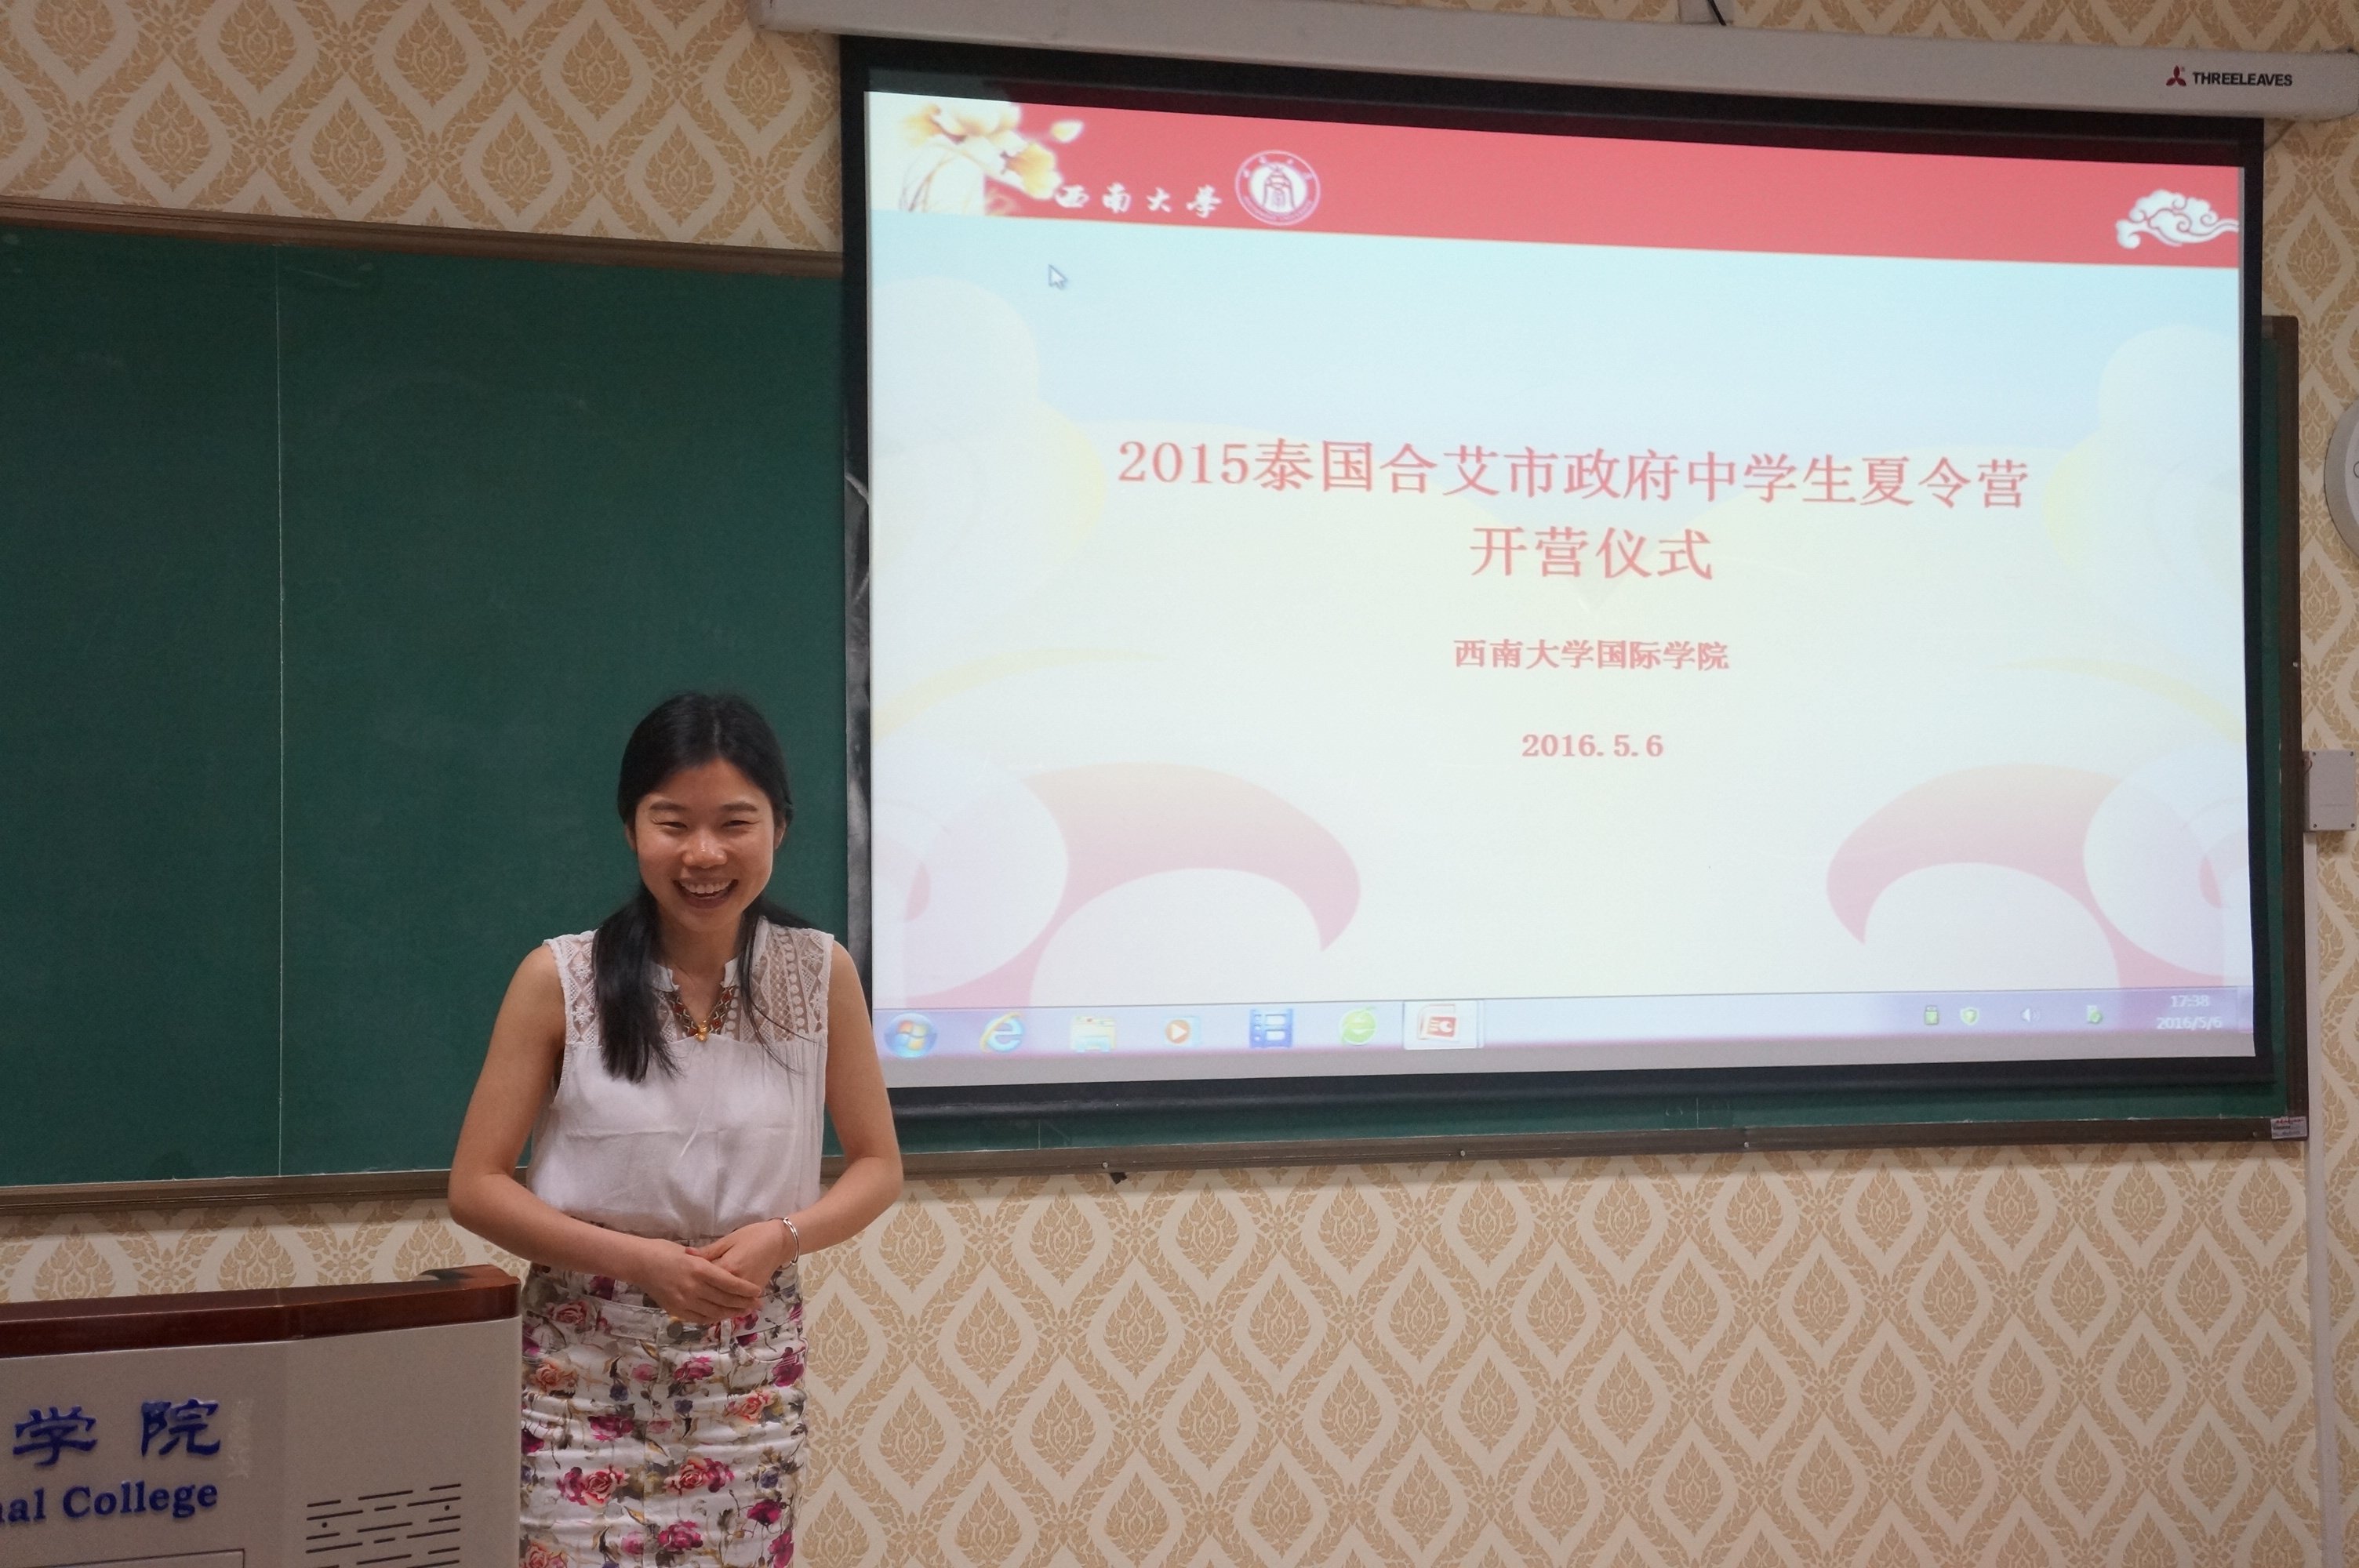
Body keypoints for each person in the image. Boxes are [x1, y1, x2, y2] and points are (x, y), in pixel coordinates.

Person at [449, 692, 900, 1568]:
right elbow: (476, 1185)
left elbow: (878, 1164)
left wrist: (784, 1235)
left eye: (734, 822)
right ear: (631, 828)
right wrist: (643, 1262)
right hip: (579, 1373)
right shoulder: (559, 978)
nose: (703, 854)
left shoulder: (819, 972)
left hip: (747, 1372)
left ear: (779, 826)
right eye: (672, 822)